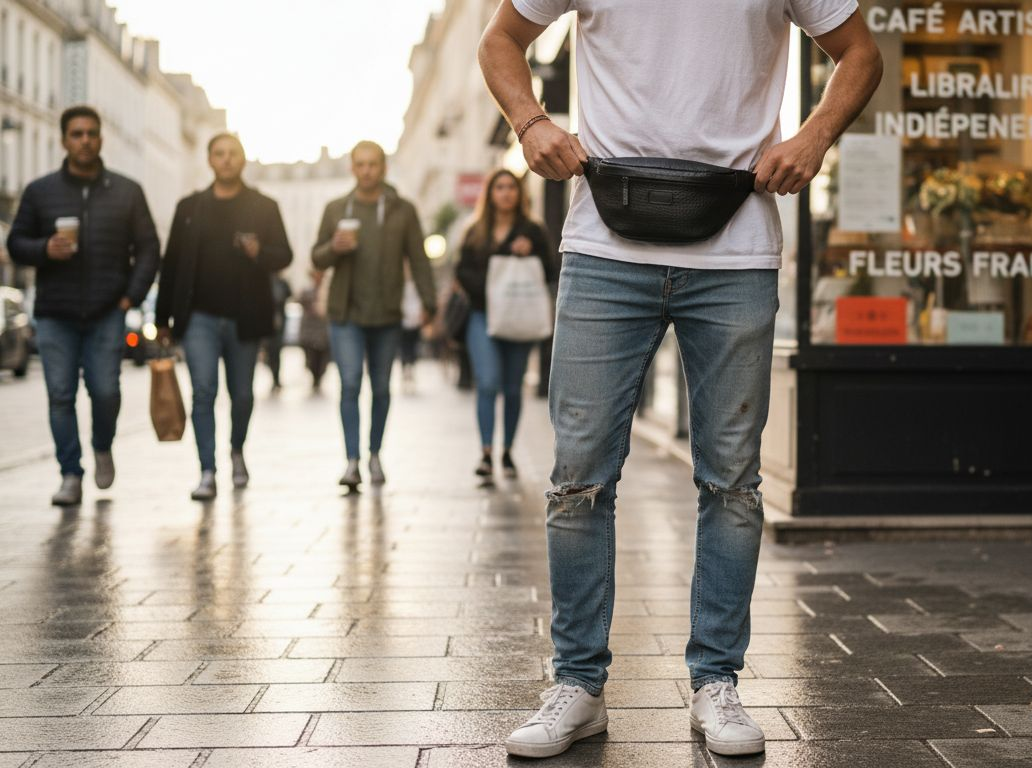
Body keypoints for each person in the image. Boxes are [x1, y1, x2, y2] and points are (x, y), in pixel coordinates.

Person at [479, 0, 881, 758]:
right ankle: (578, 685)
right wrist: (530, 123)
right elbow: (501, 38)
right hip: (605, 248)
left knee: (732, 482)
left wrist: (814, 136)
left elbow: (860, 51)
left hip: (736, 248)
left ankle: (715, 682)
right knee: (577, 478)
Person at [5, 105, 160, 506]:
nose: (85, 140)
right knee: (60, 395)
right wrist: (45, 248)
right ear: (64, 140)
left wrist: (130, 297)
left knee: (105, 391)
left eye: (91, 133)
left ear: (101, 139)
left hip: (107, 311)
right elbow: (16, 243)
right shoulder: (40, 192)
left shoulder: (127, 191)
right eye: (77, 134)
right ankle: (70, 474)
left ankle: (103, 446)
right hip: (55, 313)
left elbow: (148, 248)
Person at [158, 133, 293, 501]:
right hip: (198, 317)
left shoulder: (263, 206)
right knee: (203, 392)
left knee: (243, 395)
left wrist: (259, 251)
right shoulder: (190, 208)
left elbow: (285, 255)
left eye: (233, 153)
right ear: (210, 160)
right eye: (220, 153)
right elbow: (171, 265)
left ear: (243, 159)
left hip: (244, 317)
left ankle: (236, 450)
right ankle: (207, 470)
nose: (227, 159)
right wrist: (163, 319)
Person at [312, 140, 436, 490]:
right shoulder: (336, 209)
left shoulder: (403, 210)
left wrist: (429, 303)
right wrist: (333, 248)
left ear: (384, 168)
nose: (367, 170)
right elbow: (317, 257)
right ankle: (352, 461)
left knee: (381, 388)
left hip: (387, 314)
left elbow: (419, 259)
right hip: (345, 314)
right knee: (350, 383)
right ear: (352, 168)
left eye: (373, 164)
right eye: (361, 164)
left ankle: (375, 454)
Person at [453, 169, 555, 480]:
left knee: (512, 388)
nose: (506, 192)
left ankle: (507, 451)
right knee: (487, 382)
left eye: (512, 187)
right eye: (499, 187)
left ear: (520, 193)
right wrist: (493, 280)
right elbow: (462, 271)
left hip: (517, 315)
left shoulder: (533, 230)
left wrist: (530, 252)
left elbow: (551, 270)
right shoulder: (475, 231)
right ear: (490, 193)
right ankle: (486, 453)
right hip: (482, 315)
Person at [297, 269, 331, 391]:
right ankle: (314, 377)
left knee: (322, 358)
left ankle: (319, 377)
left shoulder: (327, 291)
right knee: (311, 357)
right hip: (310, 331)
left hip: (323, 331)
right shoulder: (307, 291)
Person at [261, 275, 292, 392]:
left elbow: (288, 295)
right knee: (270, 351)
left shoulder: (282, 282)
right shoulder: (265, 281)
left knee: (276, 351)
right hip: (267, 324)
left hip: (278, 324)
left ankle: (276, 377)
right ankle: (274, 375)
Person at [398, 264, 424, 391]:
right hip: (403, 321)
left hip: (415, 321)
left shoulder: (417, 285)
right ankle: (405, 370)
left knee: (412, 347)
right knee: (404, 347)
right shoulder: (400, 285)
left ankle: (411, 368)